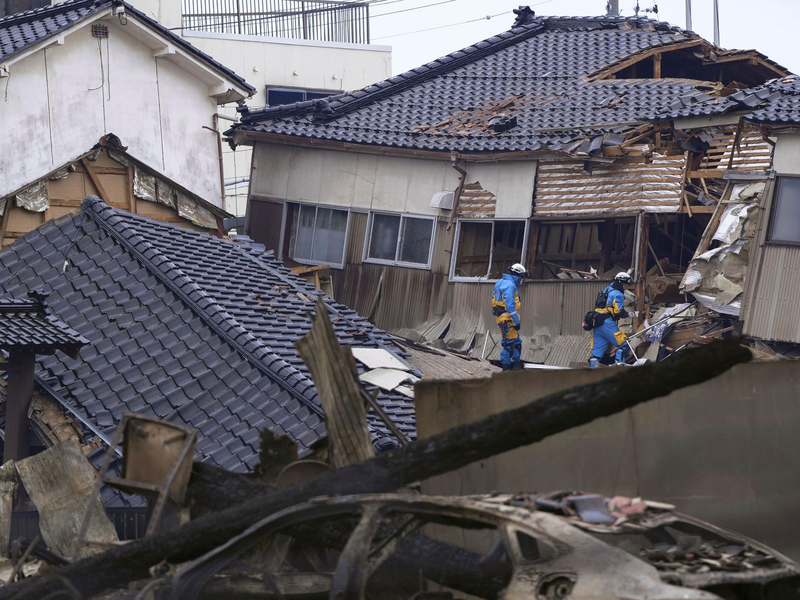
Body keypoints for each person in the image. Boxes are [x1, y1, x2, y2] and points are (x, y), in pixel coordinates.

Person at [589, 272, 632, 368]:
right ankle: (619, 368)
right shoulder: (618, 294)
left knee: (596, 354)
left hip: (597, 323)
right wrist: (629, 314)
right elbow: (618, 311)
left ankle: (592, 371)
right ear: (622, 283)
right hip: (607, 323)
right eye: (626, 285)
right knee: (624, 345)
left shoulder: (607, 289)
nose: (626, 287)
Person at [492, 263, 528, 371]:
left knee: (516, 343)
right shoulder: (510, 285)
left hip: (505, 319)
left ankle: (516, 367)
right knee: (508, 345)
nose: (522, 280)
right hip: (507, 320)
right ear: (518, 275)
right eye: (522, 277)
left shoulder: (500, 282)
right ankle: (506, 369)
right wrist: (516, 322)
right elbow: (510, 306)